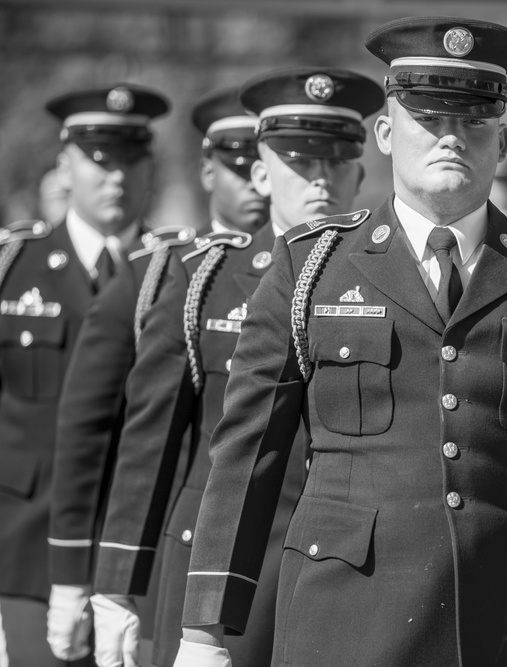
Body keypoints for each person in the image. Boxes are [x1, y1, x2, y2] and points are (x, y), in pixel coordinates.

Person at [173, 17, 507, 667]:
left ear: (503, 141)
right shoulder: (311, 267)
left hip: (506, 620)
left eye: (474, 123)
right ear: (384, 132)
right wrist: (205, 628)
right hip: (346, 620)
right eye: (430, 119)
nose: (452, 138)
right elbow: (247, 454)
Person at [88, 68, 382, 667]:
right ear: (259, 171)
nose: (320, 179)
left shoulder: (387, 279)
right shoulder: (205, 278)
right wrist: (116, 580)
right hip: (215, 561)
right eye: (301, 160)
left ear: (360, 169)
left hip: (341, 568)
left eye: (336, 160)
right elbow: (151, 441)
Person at [45, 86, 268, 666]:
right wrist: (84, 571)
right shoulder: (170, 277)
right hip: (183, 549)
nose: (255, 183)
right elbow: (101, 431)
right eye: (238, 167)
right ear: (207, 170)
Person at [0, 84, 167, 667]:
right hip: (23, 557)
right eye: (99, 160)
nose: (115, 177)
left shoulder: (182, 279)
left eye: (130, 158)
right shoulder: (11, 269)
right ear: (65, 164)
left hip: (142, 558)